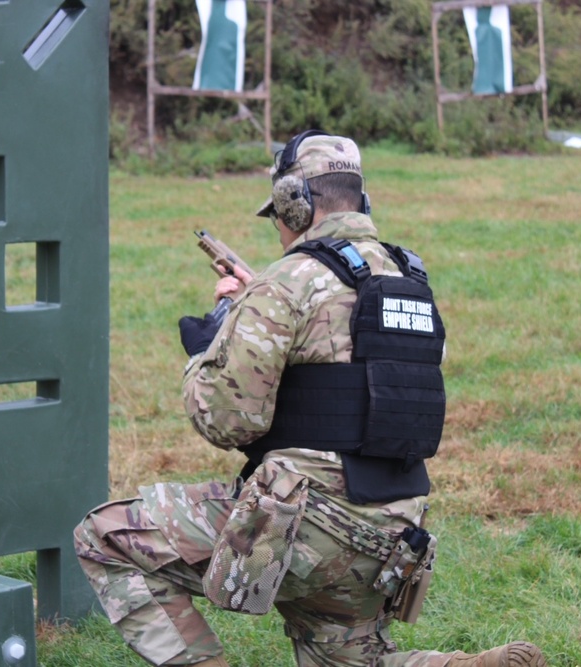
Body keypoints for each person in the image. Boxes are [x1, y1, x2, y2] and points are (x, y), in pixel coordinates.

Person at [75, 131, 548, 667]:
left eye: (275, 215)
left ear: (293, 203)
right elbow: (352, 374)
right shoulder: (410, 280)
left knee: (106, 536)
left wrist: (211, 345)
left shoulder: (284, 284)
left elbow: (227, 421)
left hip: (299, 528)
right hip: (393, 536)